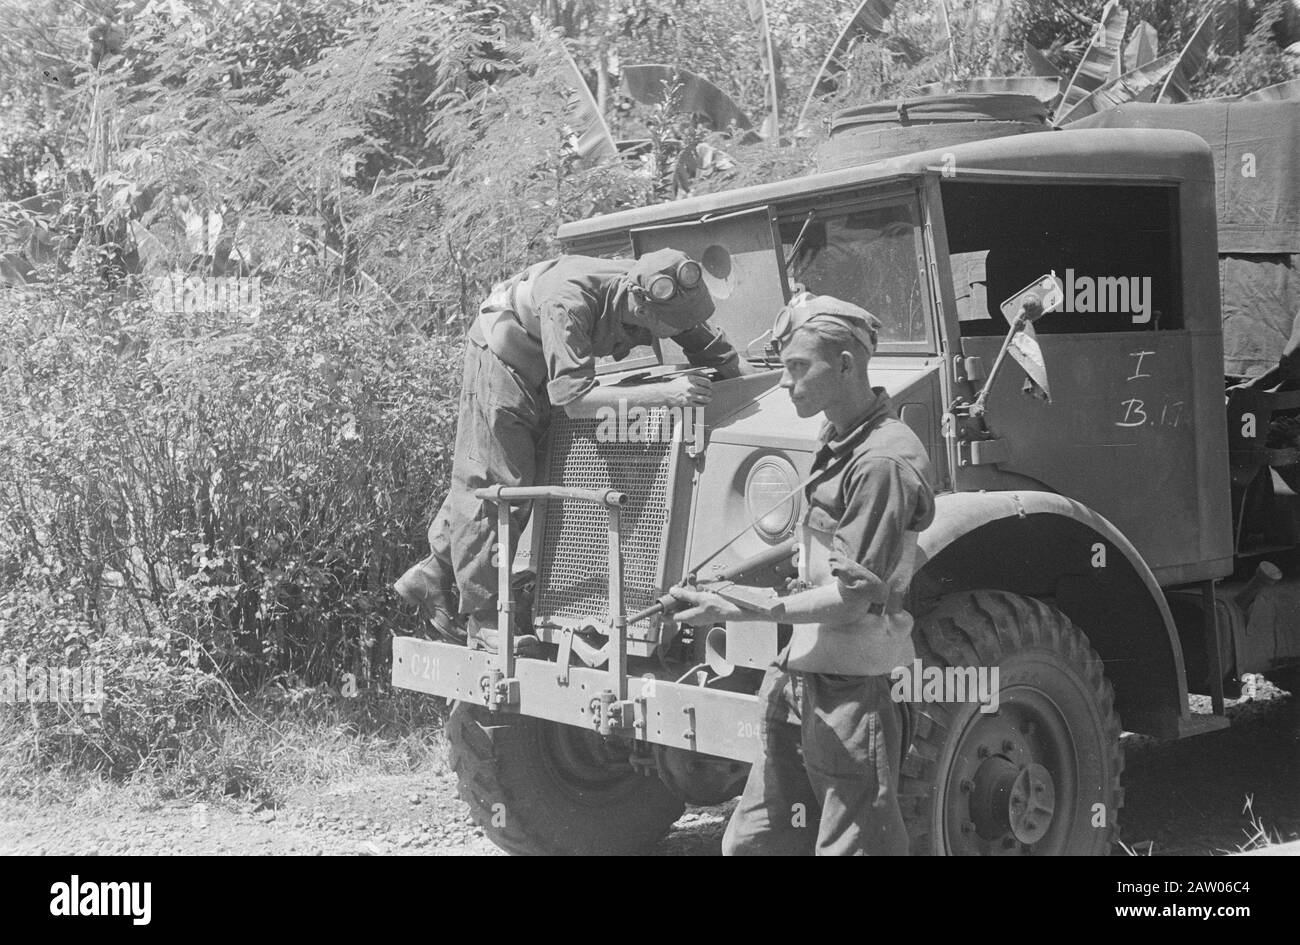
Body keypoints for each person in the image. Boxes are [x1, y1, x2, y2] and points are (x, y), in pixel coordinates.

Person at [670, 293, 935, 856]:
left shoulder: (882, 461)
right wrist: (722, 582)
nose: (785, 383)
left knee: (854, 846)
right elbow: (814, 547)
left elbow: (851, 600)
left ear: (846, 365)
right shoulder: (840, 440)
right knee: (755, 841)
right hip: (799, 674)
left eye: (797, 368)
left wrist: (740, 606)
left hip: (854, 688)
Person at [395, 249, 748, 652]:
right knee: (500, 483)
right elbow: (575, 401)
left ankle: (432, 576)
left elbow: (696, 335)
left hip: (548, 363)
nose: (678, 329)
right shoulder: (571, 300)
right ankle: (486, 618)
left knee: (524, 464)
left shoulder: (660, 292)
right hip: (505, 359)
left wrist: (737, 377)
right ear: (642, 309)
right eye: (668, 325)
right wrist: (666, 395)